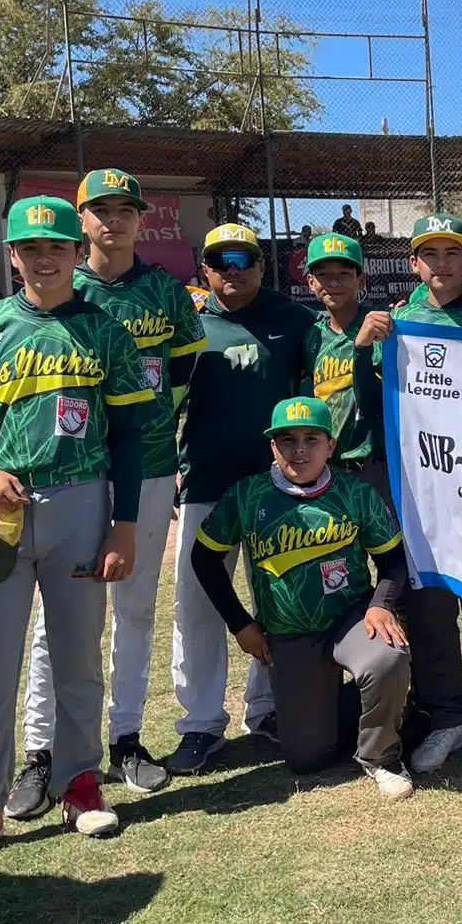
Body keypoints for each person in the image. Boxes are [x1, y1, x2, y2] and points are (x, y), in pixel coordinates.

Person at [0, 195, 154, 872]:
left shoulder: (105, 329)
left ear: (77, 254)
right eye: (32, 247)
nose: (45, 257)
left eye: (58, 247)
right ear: (13, 255)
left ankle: (79, 784)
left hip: (81, 504)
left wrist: (125, 523)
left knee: (79, 656)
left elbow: (135, 435)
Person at [5, 170, 206, 819]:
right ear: (80, 221)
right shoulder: (65, 289)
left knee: (136, 610)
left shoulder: (165, 292)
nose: (113, 221)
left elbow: (182, 370)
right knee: (56, 620)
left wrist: (157, 438)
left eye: (126, 210)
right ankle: (42, 753)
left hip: (144, 469)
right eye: (100, 210)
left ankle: (125, 738)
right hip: (80, 474)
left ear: (142, 220)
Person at [190, 397, 414, 796]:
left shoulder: (355, 492)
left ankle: (380, 754)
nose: (299, 450)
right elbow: (204, 558)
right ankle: (358, 707)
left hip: (351, 618)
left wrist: (382, 604)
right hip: (288, 633)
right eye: (286, 439)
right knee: (306, 758)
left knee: (387, 658)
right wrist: (240, 624)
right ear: (272, 447)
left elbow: (394, 561)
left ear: (331, 445)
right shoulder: (247, 495)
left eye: (312, 439)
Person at [357, 213, 462, 773]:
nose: (442, 264)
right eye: (431, 254)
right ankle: (448, 715)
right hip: (425, 483)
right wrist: (362, 349)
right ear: (414, 263)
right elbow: (374, 400)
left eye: (453, 254)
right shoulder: (400, 322)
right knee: (430, 601)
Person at [165, 224, 315, 775]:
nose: (233, 268)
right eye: (219, 260)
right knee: (197, 606)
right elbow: (163, 399)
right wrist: (167, 468)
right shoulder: (189, 323)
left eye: (244, 258)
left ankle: (268, 708)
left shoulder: (294, 319)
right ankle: (201, 724)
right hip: (207, 481)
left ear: (260, 265)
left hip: (275, 486)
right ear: (205, 269)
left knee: (278, 596)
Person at [303, 232, 384, 492]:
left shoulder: (380, 325)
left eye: (344, 274)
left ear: (361, 281)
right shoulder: (312, 336)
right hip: (326, 466)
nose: (334, 282)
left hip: (372, 463)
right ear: (310, 282)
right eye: (323, 274)